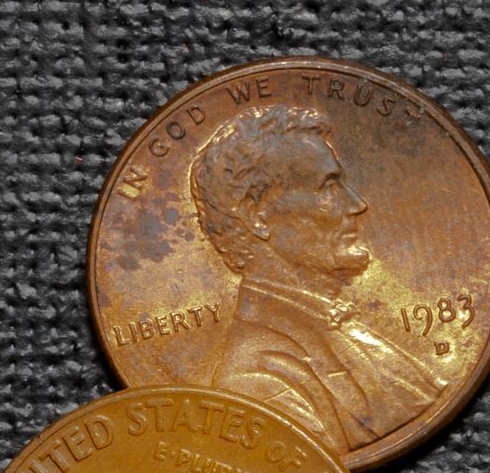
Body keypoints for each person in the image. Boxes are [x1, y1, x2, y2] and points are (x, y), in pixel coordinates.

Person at [189, 105, 442, 448]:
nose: (357, 204)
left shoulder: (342, 331)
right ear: (257, 215)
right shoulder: (255, 384)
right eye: (328, 188)